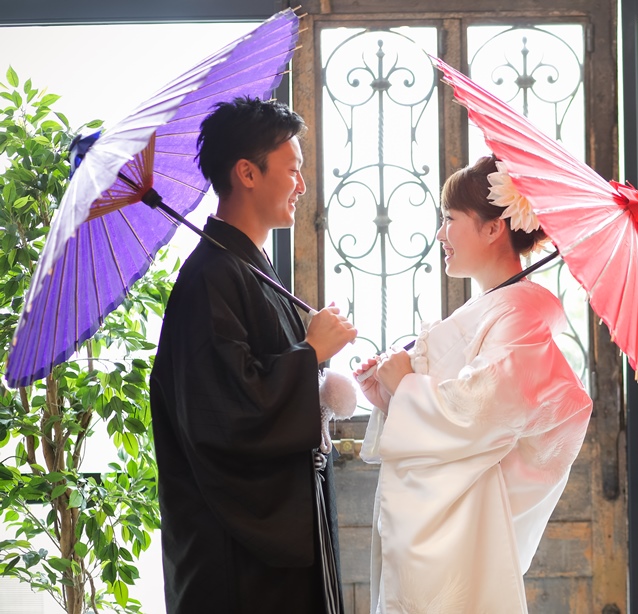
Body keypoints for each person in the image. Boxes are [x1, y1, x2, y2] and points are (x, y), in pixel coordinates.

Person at [355, 154, 593, 613]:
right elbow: (456, 406)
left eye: (450, 219)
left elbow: (482, 411)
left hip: (463, 524)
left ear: (492, 229)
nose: (440, 234)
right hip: (441, 518)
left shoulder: (519, 315)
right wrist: (388, 397)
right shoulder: (492, 307)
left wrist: (407, 387)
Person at [149, 97, 356, 614]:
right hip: (234, 558)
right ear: (247, 173)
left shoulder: (245, 267)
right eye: (293, 170)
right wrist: (309, 353)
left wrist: (310, 356)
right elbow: (228, 415)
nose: (302, 186)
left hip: (269, 544)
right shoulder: (209, 279)